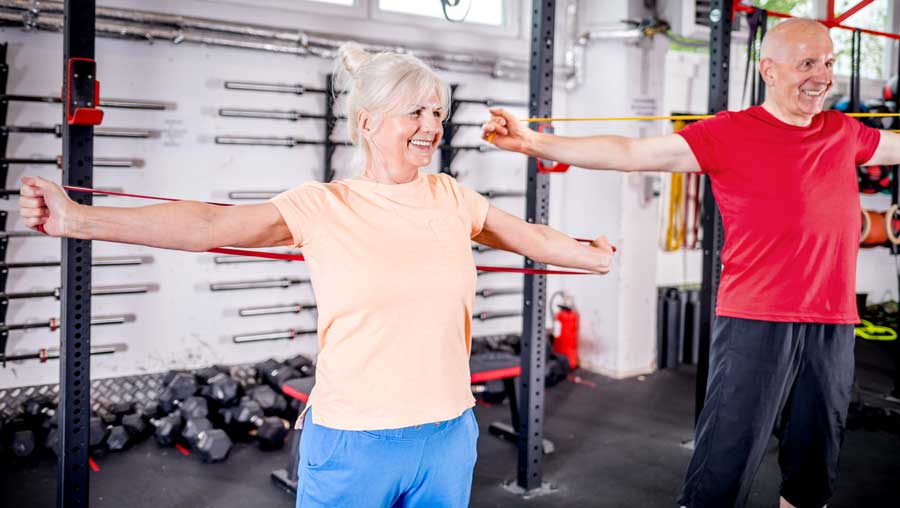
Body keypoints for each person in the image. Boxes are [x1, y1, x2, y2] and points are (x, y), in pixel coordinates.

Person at [19, 43, 614, 508]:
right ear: (368, 121)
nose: (431, 125)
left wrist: (587, 253)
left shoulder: (452, 197)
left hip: (447, 434)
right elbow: (206, 224)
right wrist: (78, 218)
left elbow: (529, 237)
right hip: (354, 440)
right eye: (415, 111)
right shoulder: (323, 206)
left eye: (437, 111)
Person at [482, 18, 900, 508]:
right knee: (725, 465)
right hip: (756, 318)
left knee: (812, 469)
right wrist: (535, 142)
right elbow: (631, 152)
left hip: (833, 320)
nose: (822, 76)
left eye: (828, 63)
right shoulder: (731, 133)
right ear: (768, 69)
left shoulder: (842, 132)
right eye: (807, 63)